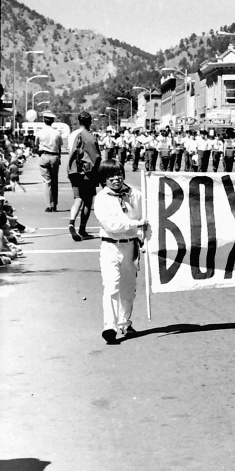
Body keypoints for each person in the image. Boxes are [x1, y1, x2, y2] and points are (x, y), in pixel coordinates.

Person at [95, 159, 148, 345]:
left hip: (131, 246)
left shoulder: (136, 195)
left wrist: (144, 238)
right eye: (110, 176)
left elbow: (145, 219)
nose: (115, 179)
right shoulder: (101, 198)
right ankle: (109, 326)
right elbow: (113, 225)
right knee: (111, 286)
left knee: (128, 287)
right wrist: (136, 224)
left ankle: (124, 322)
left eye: (118, 174)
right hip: (110, 246)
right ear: (103, 179)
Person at [66, 111, 101, 241]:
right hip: (87, 173)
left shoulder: (72, 135)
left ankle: (71, 222)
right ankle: (82, 229)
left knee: (77, 199)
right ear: (90, 122)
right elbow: (96, 156)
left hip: (74, 171)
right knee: (87, 201)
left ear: (78, 121)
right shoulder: (90, 137)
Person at [35, 111, 63, 212]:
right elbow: (60, 147)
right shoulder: (57, 133)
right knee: (55, 180)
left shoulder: (39, 132)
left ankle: (49, 204)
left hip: (44, 156)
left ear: (44, 120)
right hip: (54, 156)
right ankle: (54, 204)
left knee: (47, 182)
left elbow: (36, 145)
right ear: (53, 121)